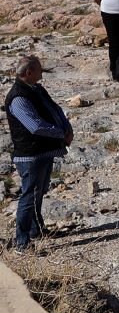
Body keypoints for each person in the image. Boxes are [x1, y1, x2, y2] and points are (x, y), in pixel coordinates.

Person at [5, 56, 72, 251]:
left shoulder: (36, 89)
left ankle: (37, 230)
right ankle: (22, 242)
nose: (42, 73)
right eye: (39, 70)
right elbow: (34, 126)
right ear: (29, 73)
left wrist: (67, 127)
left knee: (39, 192)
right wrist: (60, 133)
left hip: (44, 151)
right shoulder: (18, 97)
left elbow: (54, 109)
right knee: (29, 196)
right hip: (30, 154)